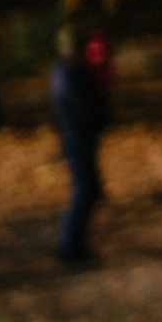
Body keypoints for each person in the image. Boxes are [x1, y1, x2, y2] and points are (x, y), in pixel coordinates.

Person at [47, 19, 113, 269]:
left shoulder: (70, 72)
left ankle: (75, 244)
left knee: (90, 190)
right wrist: (100, 114)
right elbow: (81, 108)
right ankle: (68, 246)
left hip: (79, 137)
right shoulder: (67, 75)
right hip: (76, 138)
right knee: (85, 191)